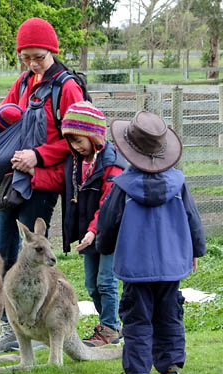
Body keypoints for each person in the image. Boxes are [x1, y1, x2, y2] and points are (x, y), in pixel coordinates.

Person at [0, 17, 85, 352]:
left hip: (42, 183)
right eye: (26, 57)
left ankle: (42, 325)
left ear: (52, 51)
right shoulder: (22, 83)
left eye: (39, 56)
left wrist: (38, 156)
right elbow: (8, 123)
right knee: (3, 255)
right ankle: (10, 327)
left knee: (33, 260)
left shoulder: (67, 87)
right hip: (12, 182)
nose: (33, 63)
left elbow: (79, 138)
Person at [95, 111, 207, 374]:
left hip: (134, 267)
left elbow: (107, 223)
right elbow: (193, 220)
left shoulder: (122, 187)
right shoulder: (179, 184)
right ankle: (170, 371)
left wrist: (105, 248)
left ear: (130, 150)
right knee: (169, 315)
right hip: (171, 265)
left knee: (136, 317)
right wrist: (195, 251)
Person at [56, 101, 127, 347]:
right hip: (91, 234)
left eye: (79, 140)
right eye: (71, 141)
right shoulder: (78, 162)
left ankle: (110, 328)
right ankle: (113, 324)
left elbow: (109, 204)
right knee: (91, 283)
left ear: (94, 136)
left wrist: (93, 231)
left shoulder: (111, 164)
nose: (75, 146)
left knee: (105, 281)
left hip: (110, 232)